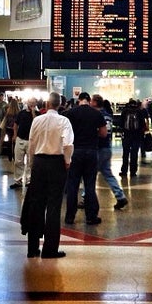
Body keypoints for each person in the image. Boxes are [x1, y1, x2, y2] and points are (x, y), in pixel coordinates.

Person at [26, 92, 74, 258]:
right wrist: (67, 160)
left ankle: (32, 249)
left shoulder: (37, 120)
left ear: (47, 104)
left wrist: (32, 164)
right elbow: (68, 143)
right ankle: (50, 249)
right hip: (56, 163)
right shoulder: (64, 121)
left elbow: (31, 144)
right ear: (60, 104)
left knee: (36, 205)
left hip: (39, 162)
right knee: (54, 206)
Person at [63, 92, 107, 225]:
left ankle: (70, 217)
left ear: (79, 100)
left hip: (75, 152)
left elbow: (65, 133)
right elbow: (104, 133)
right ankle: (91, 216)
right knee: (89, 185)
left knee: (72, 185)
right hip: (91, 152)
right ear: (89, 100)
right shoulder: (96, 113)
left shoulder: (70, 113)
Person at [91, 94, 128, 210]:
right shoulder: (108, 115)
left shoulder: (96, 115)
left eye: (91, 101)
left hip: (99, 148)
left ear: (95, 102)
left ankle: (85, 197)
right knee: (107, 173)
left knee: (91, 174)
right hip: (107, 146)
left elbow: (100, 132)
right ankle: (120, 196)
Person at [10, 97, 38, 189]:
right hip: (21, 138)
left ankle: (29, 180)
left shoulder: (38, 114)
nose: (31, 105)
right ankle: (18, 180)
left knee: (31, 161)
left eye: (33, 103)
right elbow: (15, 124)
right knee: (18, 161)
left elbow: (36, 124)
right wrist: (15, 135)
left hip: (31, 140)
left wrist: (33, 113)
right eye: (30, 103)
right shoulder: (21, 113)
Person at [119, 98, 148, 177]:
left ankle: (124, 171)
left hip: (126, 135)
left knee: (125, 153)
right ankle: (133, 171)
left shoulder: (125, 111)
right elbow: (142, 124)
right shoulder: (139, 111)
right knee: (134, 154)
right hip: (136, 136)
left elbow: (121, 123)